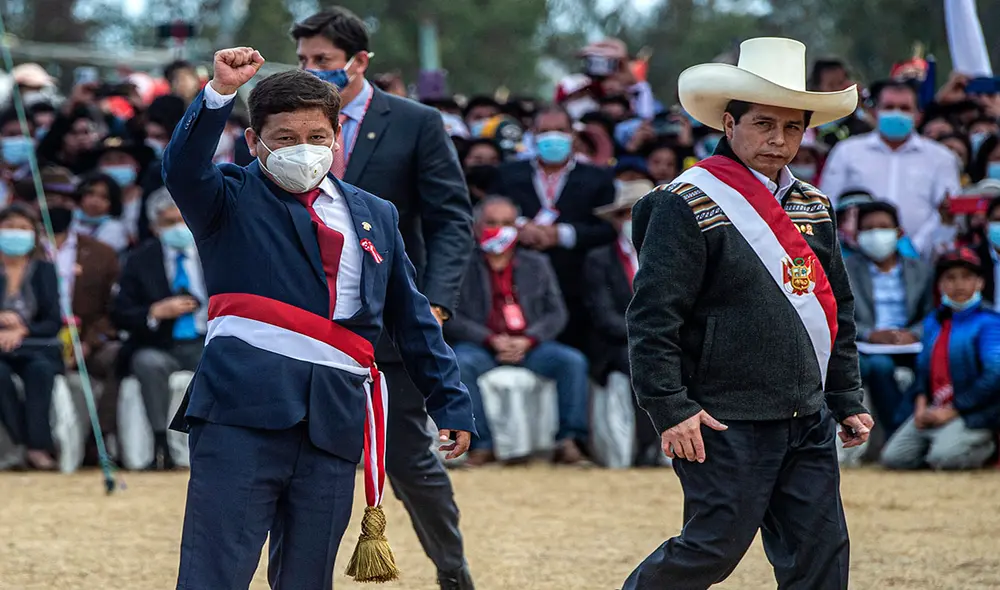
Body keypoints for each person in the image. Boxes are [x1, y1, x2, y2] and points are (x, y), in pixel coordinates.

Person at [163, 48, 473, 590]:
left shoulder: (376, 213)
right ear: (255, 141)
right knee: (216, 573)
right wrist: (219, 93)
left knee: (308, 579)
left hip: (334, 417)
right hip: (241, 412)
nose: (301, 149)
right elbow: (183, 167)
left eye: (315, 136)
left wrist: (450, 401)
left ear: (336, 138)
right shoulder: (226, 198)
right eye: (283, 138)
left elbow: (412, 317)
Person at [623, 38, 872, 589]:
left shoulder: (814, 204)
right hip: (720, 416)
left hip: (806, 414)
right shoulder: (681, 202)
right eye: (763, 124)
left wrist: (845, 396)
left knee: (821, 557)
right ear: (729, 123)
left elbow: (838, 310)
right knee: (711, 549)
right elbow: (653, 318)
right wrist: (669, 407)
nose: (777, 141)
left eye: (792, 128)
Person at [291, 8, 477, 588]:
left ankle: (453, 570)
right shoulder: (289, 124)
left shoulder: (416, 121)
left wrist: (436, 301)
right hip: (305, 320)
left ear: (358, 61)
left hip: (391, 322)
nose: (311, 70)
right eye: (302, 61)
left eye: (322, 60)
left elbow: (451, 219)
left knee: (410, 465)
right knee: (305, 466)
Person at [446, 196, 590, 465]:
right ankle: (482, 446)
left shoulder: (537, 263)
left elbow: (557, 313)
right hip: (482, 345)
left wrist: (529, 339)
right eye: (492, 222)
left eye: (508, 223)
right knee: (460, 363)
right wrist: (490, 339)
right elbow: (451, 315)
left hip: (530, 344)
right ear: (476, 227)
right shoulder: (461, 264)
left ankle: (568, 442)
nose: (500, 229)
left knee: (572, 362)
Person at [490, 105, 616, 355]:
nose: (553, 137)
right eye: (545, 131)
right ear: (533, 134)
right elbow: (489, 213)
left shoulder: (598, 178)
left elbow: (607, 229)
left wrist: (561, 235)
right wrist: (520, 227)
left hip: (577, 284)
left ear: (572, 134)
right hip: (519, 284)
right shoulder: (507, 174)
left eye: (560, 130)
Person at [881, 248, 1000, 470]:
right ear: (940, 286)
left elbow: (995, 376)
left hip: (974, 412)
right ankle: (942, 441)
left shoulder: (990, 322)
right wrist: (920, 406)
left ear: (981, 283)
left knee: (944, 459)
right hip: (936, 408)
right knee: (894, 458)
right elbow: (922, 372)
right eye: (951, 278)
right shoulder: (933, 322)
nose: (959, 285)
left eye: (967, 277)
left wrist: (954, 409)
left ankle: (988, 445)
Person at [112, 187, 205, 470]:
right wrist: (154, 312)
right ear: (155, 228)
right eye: (168, 222)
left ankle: (213, 443)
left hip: (208, 341)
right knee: (148, 364)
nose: (178, 227)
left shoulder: (214, 251)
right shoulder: (139, 260)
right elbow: (120, 313)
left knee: (226, 361)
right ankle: (159, 443)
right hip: (160, 344)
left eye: (182, 219)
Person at [821, 79, 961, 254]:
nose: (896, 113)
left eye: (904, 108)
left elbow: (946, 210)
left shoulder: (941, 157)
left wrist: (914, 248)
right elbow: (827, 206)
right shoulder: (846, 151)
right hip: (856, 259)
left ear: (918, 115)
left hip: (923, 261)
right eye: (889, 107)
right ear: (874, 111)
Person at [583, 179, 662, 466]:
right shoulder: (598, 259)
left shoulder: (671, 255)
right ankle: (644, 447)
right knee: (642, 362)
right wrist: (650, 335)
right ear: (617, 219)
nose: (636, 219)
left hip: (665, 340)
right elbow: (603, 316)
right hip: (618, 345)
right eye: (629, 212)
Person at [846, 201, 933, 435]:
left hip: (912, 344)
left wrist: (914, 333)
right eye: (869, 228)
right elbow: (838, 313)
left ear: (899, 232)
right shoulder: (845, 269)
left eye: (883, 227)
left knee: (931, 365)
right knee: (880, 366)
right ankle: (897, 431)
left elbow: (932, 313)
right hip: (865, 346)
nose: (876, 234)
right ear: (857, 235)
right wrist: (869, 334)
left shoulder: (920, 270)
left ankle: (912, 429)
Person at [0, 205, 62, 470]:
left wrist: (22, 329)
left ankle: (38, 447)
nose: (16, 233)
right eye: (10, 226)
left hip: (35, 345)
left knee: (40, 371)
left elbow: (53, 321)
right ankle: (16, 444)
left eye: (23, 228)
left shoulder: (45, 270)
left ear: (34, 235)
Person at [68, 171, 131, 254]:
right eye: (90, 194)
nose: (95, 201)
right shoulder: (69, 219)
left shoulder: (114, 228)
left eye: (104, 197)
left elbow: (99, 255)